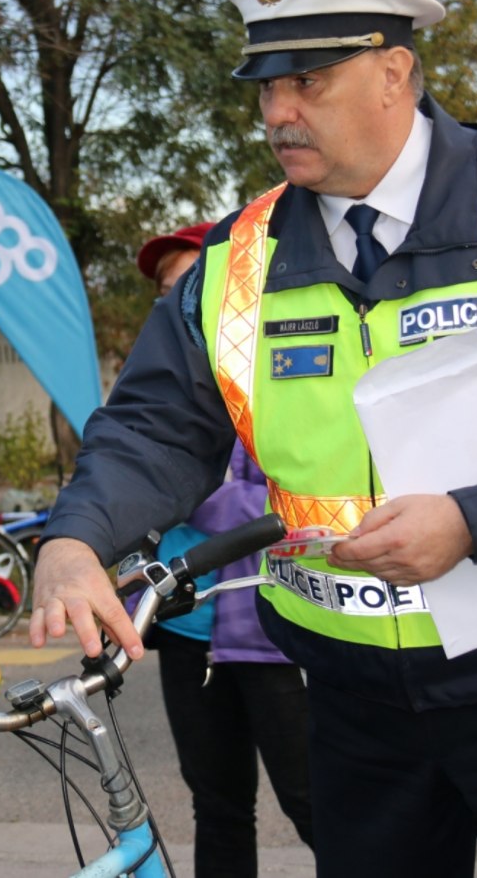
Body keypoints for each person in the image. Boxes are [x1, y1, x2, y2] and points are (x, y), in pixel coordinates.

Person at [29, 0, 477, 878]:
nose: (277, 113)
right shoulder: (238, 258)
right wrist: (77, 538)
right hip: (352, 700)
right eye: (268, 87)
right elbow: (156, 426)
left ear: (395, 71)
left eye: (307, 82)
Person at [133, 223, 313, 877]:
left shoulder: (290, 365)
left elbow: (301, 496)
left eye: (190, 284)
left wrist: (195, 494)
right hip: (188, 631)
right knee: (218, 807)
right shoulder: (163, 392)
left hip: (277, 632)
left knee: (314, 804)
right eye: (164, 288)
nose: (174, 298)